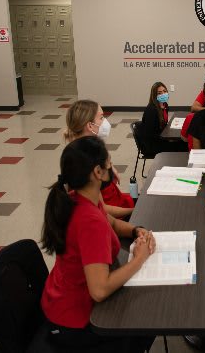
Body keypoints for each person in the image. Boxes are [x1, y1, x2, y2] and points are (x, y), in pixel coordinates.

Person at [40, 136, 155, 351]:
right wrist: (140, 258)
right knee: (147, 321)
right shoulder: (88, 222)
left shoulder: (81, 197)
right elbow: (100, 290)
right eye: (109, 161)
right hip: (73, 323)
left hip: (60, 300)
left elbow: (110, 221)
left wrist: (134, 229)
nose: (112, 166)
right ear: (97, 172)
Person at [64, 99, 134, 219]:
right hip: (114, 215)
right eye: (101, 118)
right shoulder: (83, 161)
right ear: (90, 125)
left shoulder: (91, 147)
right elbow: (103, 210)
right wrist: (134, 210)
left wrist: (111, 167)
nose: (105, 122)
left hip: (118, 202)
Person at [140, 82, 188, 155]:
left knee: (184, 141)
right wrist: (168, 139)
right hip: (153, 144)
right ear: (154, 95)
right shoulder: (151, 110)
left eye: (164, 91)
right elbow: (149, 134)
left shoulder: (164, 105)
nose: (163, 94)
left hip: (162, 138)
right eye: (159, 93)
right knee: (183, 146)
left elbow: (163, 125)